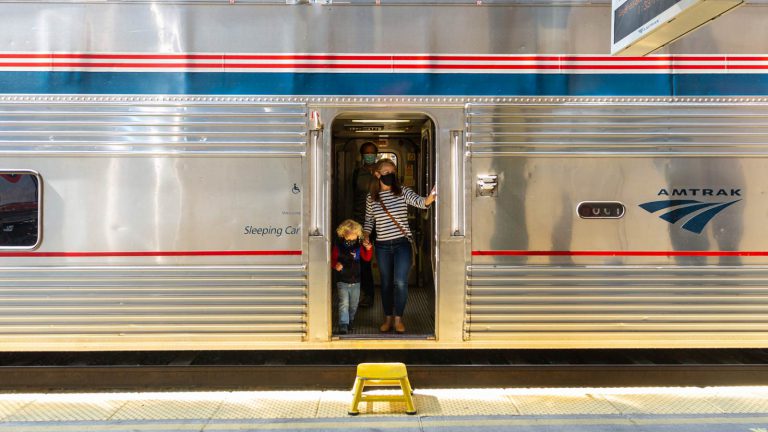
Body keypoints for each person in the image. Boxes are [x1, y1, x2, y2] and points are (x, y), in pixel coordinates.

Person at [363, 159, 436, 334]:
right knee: (386, 283)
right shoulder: (371, 197)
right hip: (382, 246)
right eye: (387, 172)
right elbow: (368, 221)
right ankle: (387, 318)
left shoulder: (403, 192)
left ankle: (398, 319)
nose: (391, 175)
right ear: (377, 174)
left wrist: (432, 195)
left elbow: (422, 202)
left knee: (401, 283)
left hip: (402, 244)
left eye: (393, 171)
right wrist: (365, 236)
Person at [331, 219, 373, 335]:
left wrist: (368, 249)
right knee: (344, 302)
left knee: (354, 303)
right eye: (349, 237)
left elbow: (367, 258)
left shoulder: (359, 246)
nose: (352, 239)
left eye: (355, 237)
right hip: (342, 280)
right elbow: (332, 259)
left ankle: (351, 320)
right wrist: (335, 265)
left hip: (356, 280)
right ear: (343, 234)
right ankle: (343, 323)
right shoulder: (338, 247)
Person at [351, 141, 378, 307]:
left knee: (384, 259)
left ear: (376, 154)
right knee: (363, 261)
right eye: (366, 153)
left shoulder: (382, 171)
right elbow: (353, 196)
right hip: (361, 222)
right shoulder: (357, 173)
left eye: (372, 153)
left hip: (381, 222)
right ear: (362, 155)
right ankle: (368, 295)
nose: (369, 156)